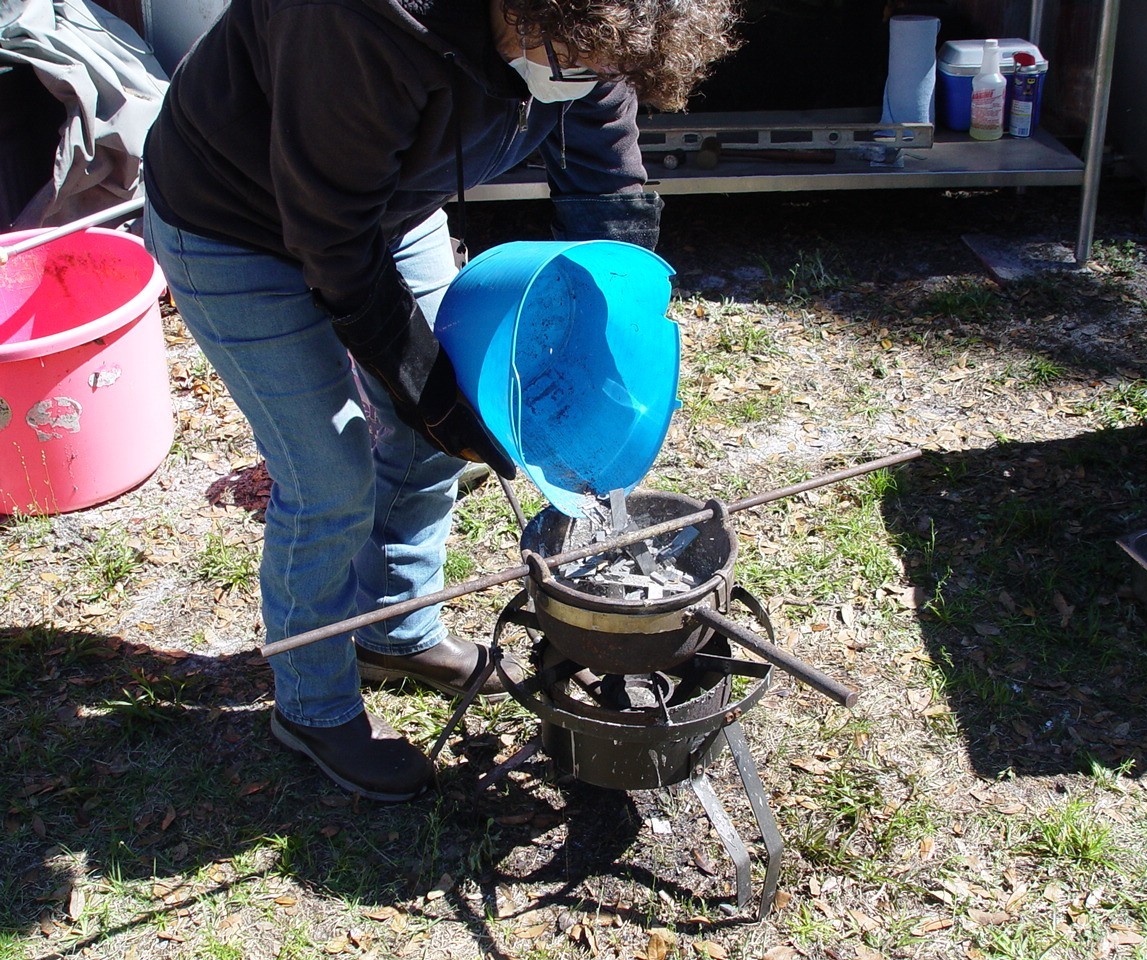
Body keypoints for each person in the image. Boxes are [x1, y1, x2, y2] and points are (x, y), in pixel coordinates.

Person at [141, 0, 740, 802]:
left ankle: (393, 630)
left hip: (380, 199)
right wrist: (427, 390)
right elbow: (337, 249)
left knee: (430, 438)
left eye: (606, 73)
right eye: (575, 67)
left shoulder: (605, 29)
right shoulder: (363, 25)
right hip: (235, 218)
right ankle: (313, 707)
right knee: (329, 475)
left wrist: (611, 313)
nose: (586, 84)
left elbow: (605, 178)